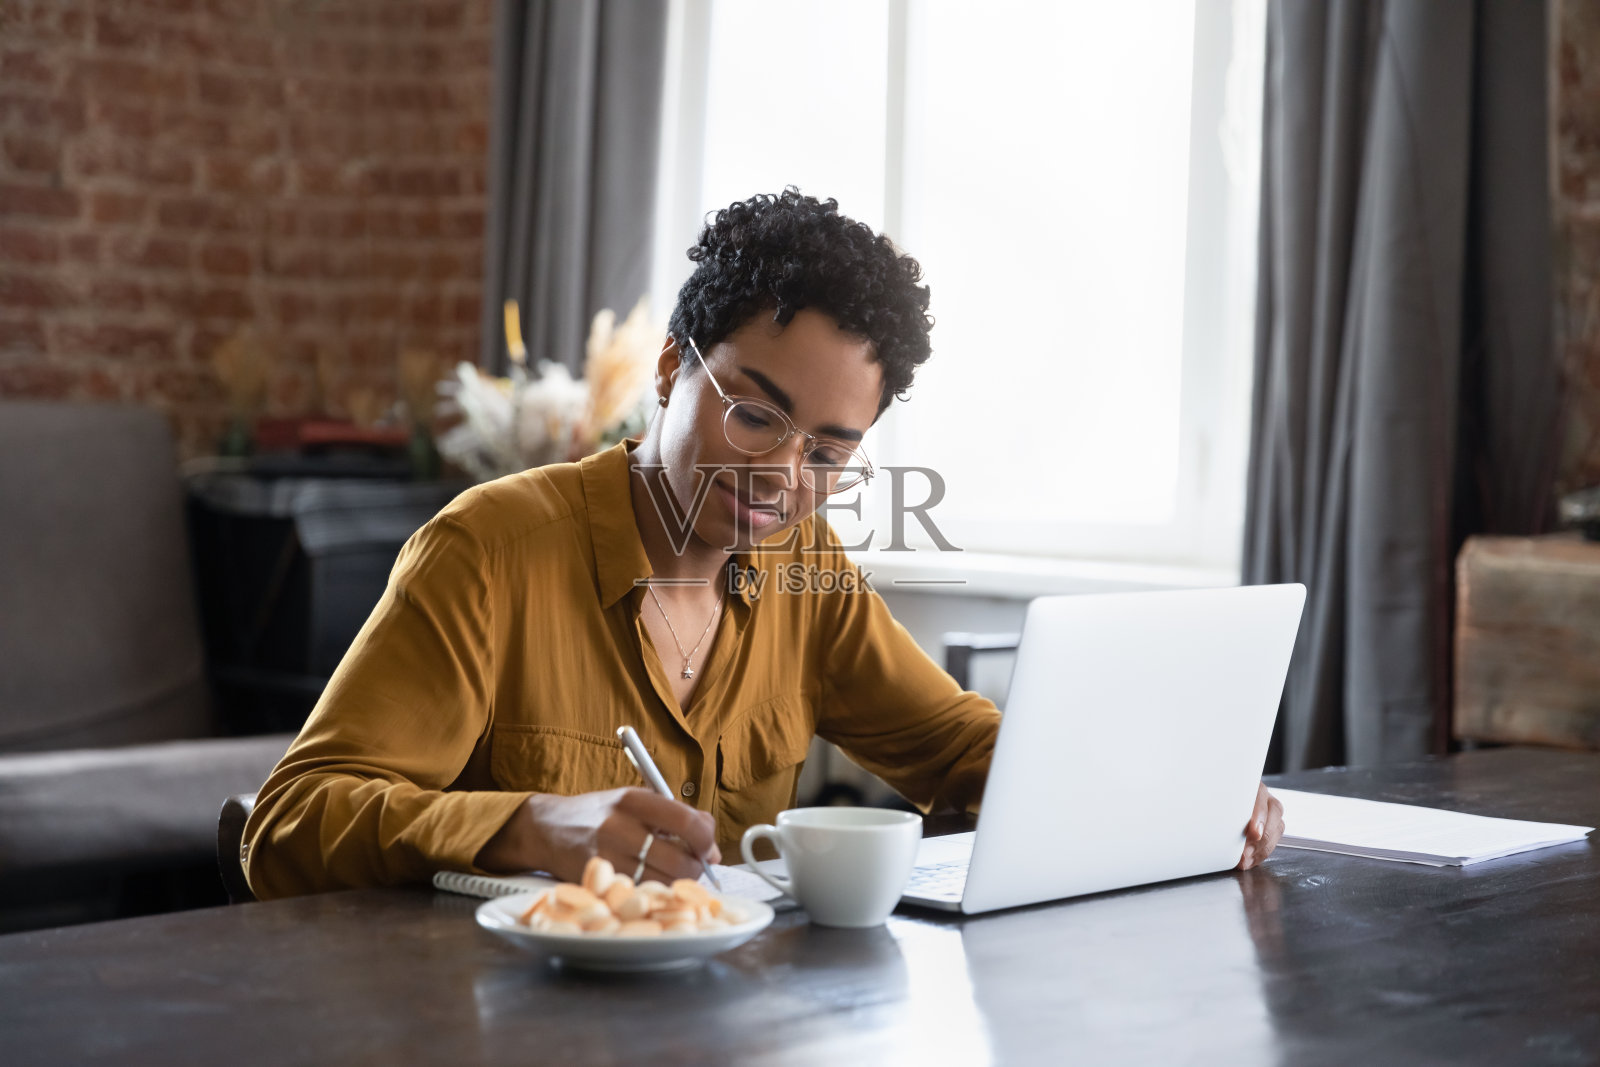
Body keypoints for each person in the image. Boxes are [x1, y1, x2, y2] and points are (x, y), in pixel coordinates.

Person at [242, 190, 1285, 900]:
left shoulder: (806, 571)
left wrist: (1165, 787)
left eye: (830, 450)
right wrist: (528, 825)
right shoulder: (489, 551)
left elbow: (957, 748)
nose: (783, 477)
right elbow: (283, 825)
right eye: (753, 414)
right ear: (667, 372)